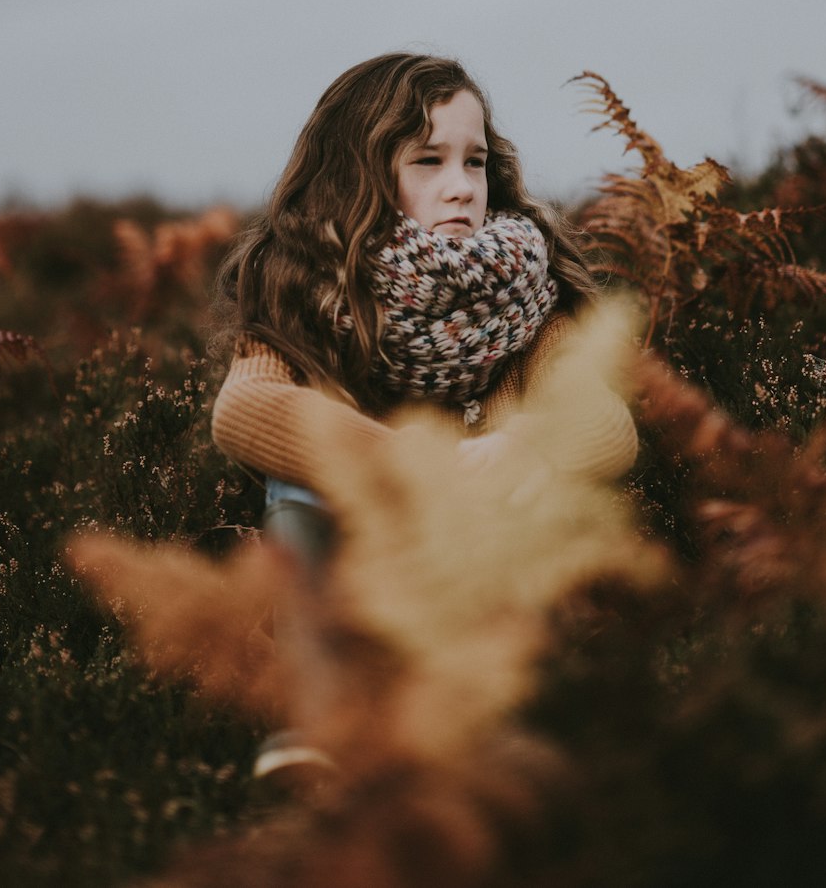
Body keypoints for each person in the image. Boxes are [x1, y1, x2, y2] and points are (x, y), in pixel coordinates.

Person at [209, 52, 637, 784]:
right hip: (353, 572)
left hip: (484, 563)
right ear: (360, 172)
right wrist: (405, 461)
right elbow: (246, 406)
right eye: (428, 160)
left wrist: (525, 447)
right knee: (301, 488)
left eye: (474, 162)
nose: (460, 187)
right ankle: (316, 718)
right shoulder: (303, 289)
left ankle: (491, 724)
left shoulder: (528, 301)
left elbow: (604, 421)